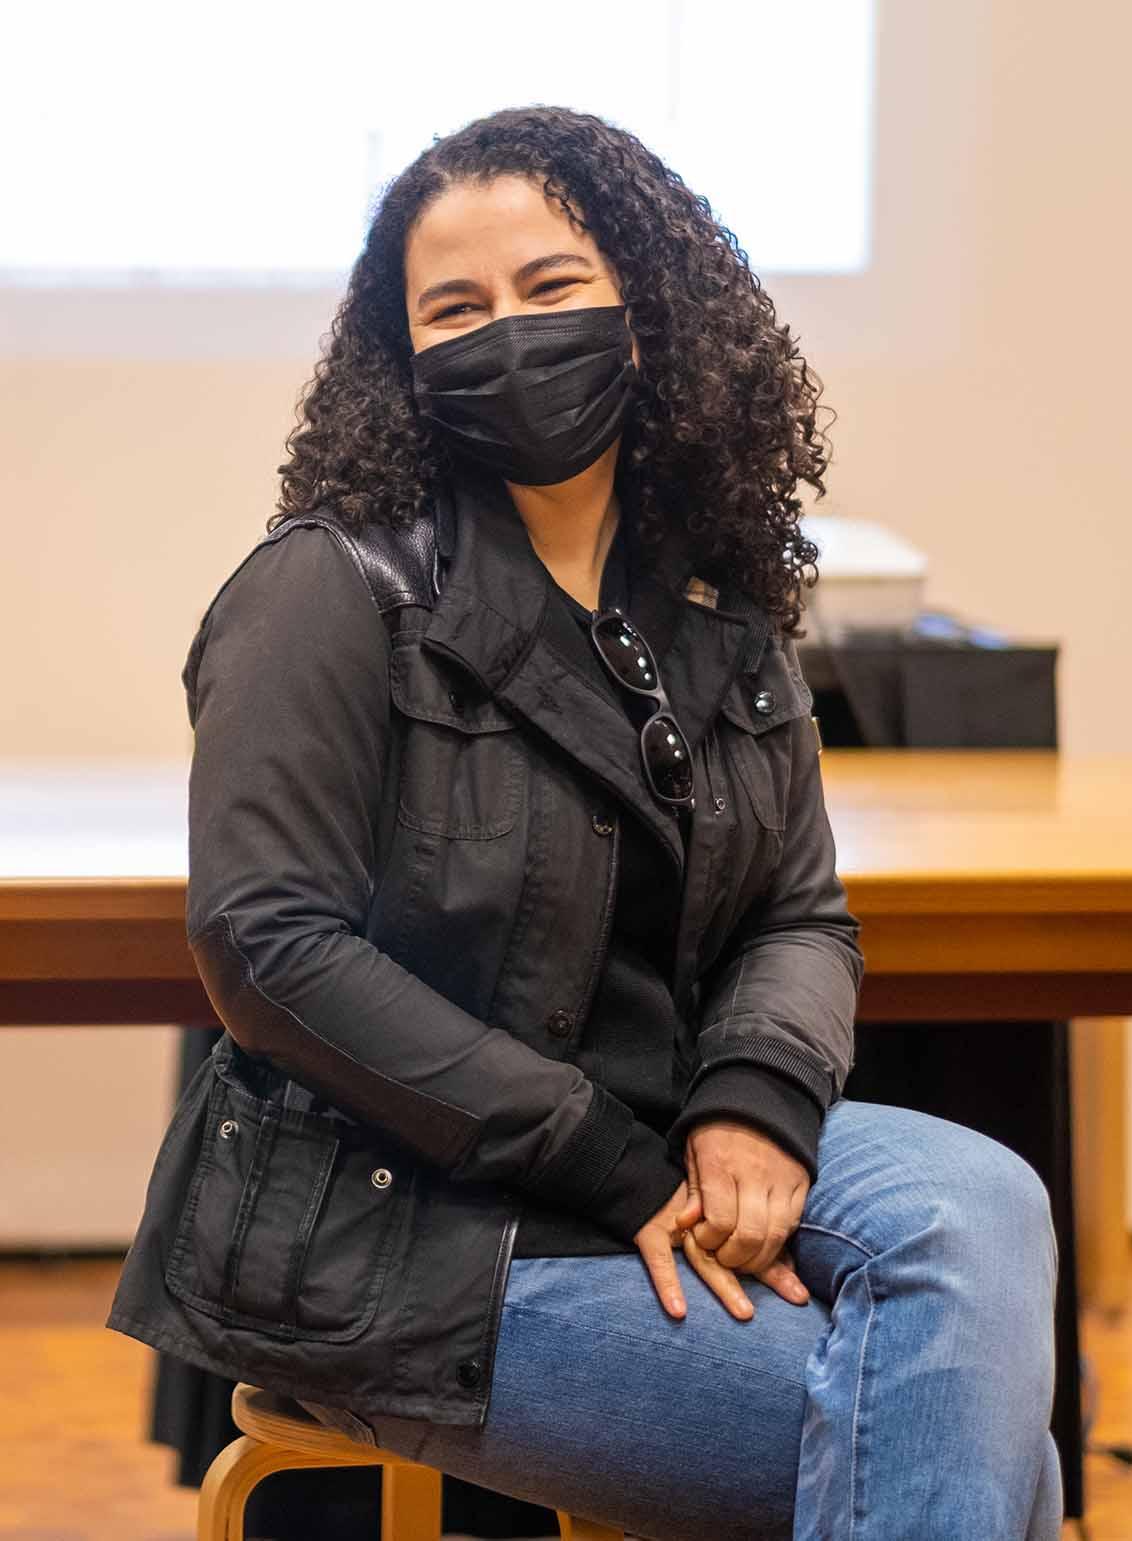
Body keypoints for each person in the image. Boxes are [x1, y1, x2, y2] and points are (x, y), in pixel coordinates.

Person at [108, 105, 1063, 1541]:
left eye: (550, 288)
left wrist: (752, 1098)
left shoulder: (719, 606)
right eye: (456, 307)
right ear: (406, 358)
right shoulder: (326, 587)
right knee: (974, 1430)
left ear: (643, 316)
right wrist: (607, 1161)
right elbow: (268, 947)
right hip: (398, 1227)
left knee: (981, 1195)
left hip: (662, 1131)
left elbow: (798, 912)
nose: (507, 332)